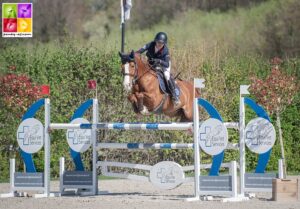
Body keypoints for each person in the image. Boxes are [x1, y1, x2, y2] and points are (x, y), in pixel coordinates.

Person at [136, 32, 180, 106]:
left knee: (167, 76)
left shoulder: (165, 51)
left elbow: (167, 64)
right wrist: (133, 55)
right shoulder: (150, 44)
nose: (159, 44)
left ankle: (175, 96)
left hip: (163, 65)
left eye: (161, 43)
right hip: (152, 64)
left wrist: (159, 61)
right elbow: (140, 51)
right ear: (155, 41)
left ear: (164, 44)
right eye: (158, 42)